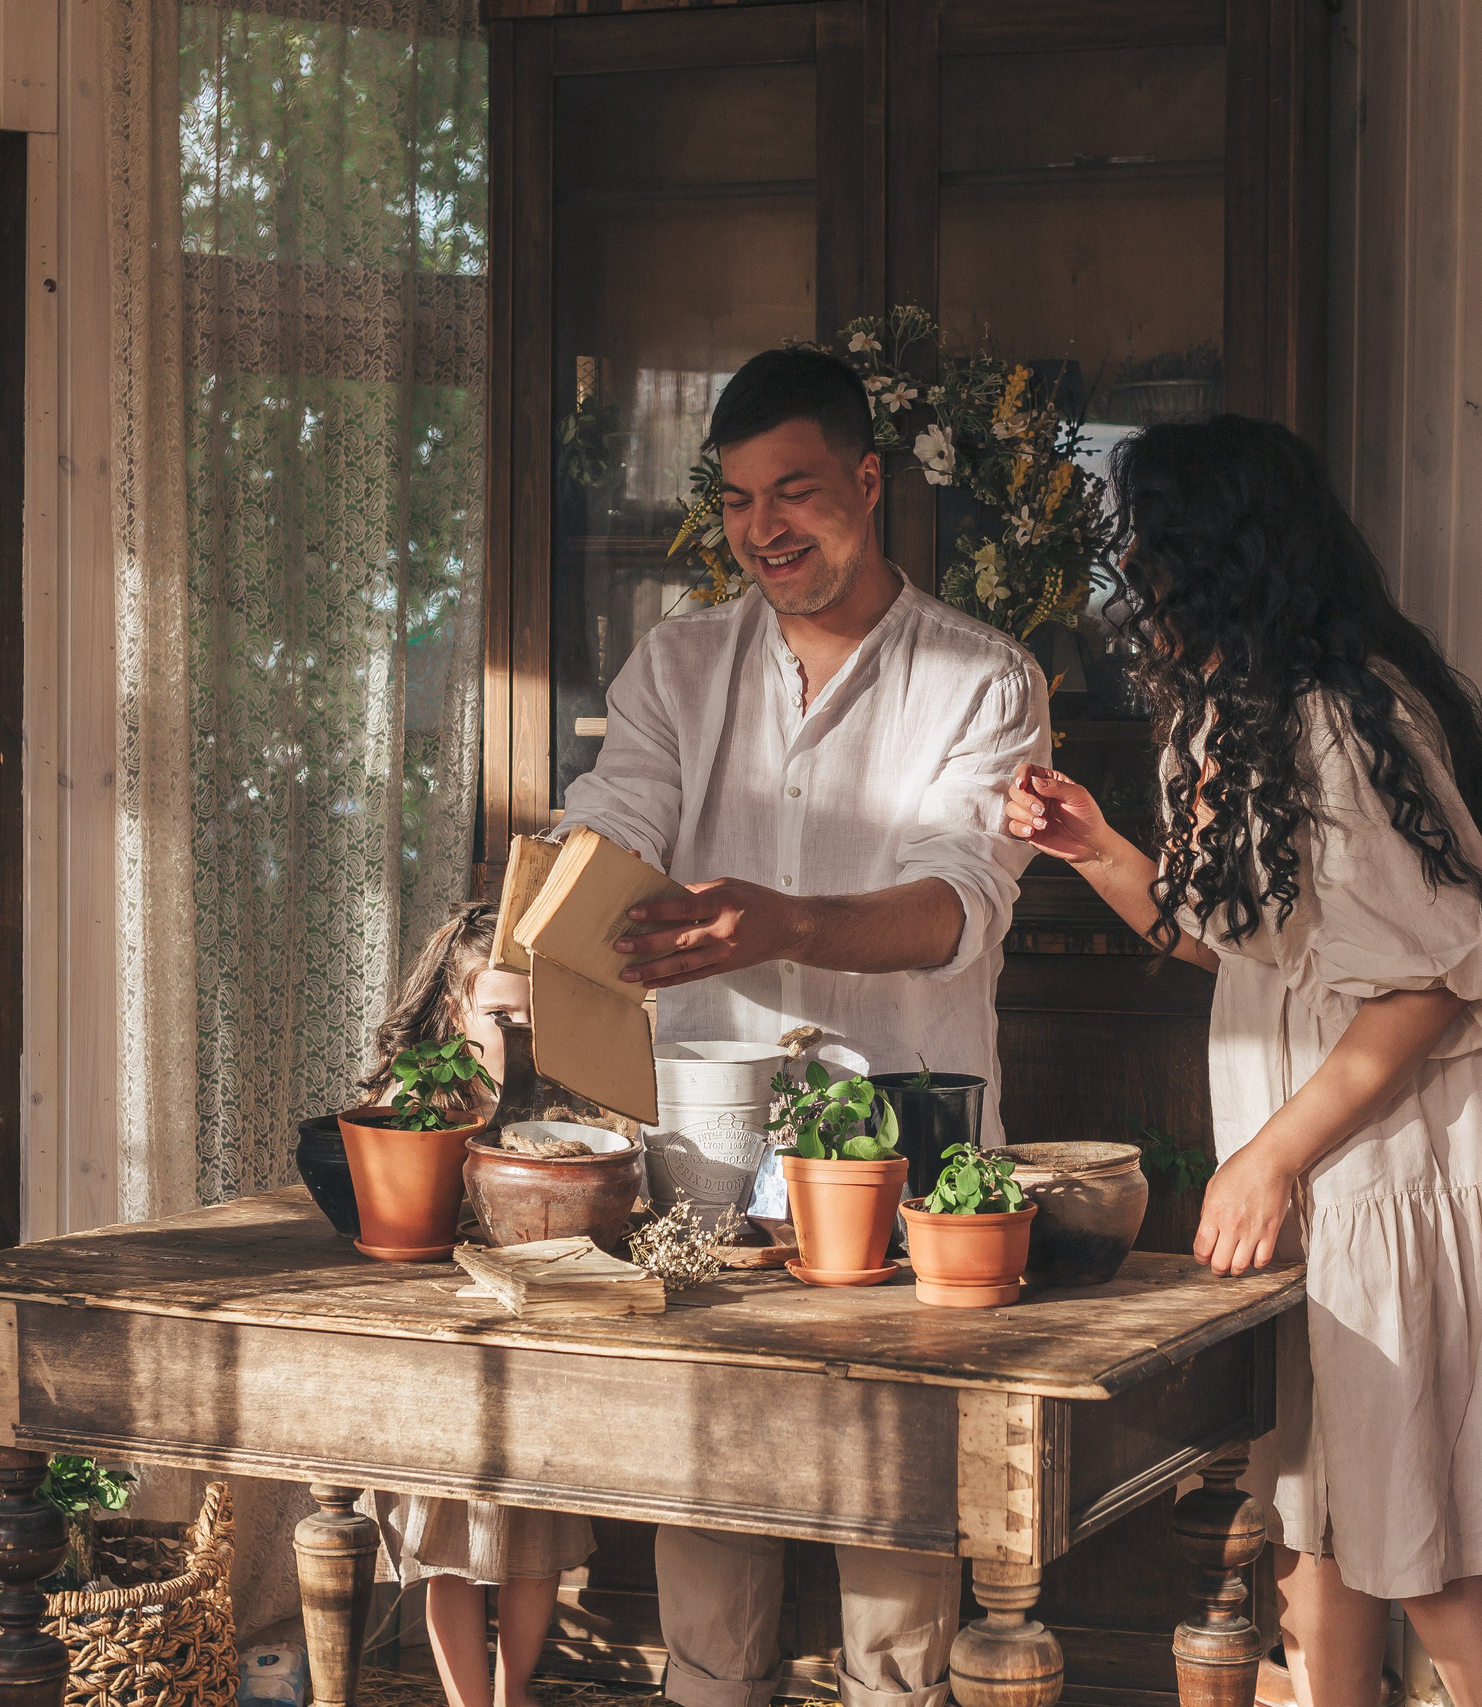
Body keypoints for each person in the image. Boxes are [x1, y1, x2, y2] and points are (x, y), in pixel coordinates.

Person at [1002, 417, 1482, 1707]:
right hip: (1327, 1166)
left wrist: (1267, 1157)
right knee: (1317, 1519)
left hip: (1386, 1171)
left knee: (1434, 1550)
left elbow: (1430, 983)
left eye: (1150, 552)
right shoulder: (1237, 716)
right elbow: (1255, 957)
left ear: (1218, 558)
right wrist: (1093, 846)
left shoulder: (1330, 720)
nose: (1131, 584)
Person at [556, 346, 1052, 1707]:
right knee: (707, 1519)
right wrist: (548, 913)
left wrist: (786, 921)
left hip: (907, 1153)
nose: (763, 528)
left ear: (870, 482)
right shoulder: (678, 662)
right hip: (707, 1164)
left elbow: (960, 904)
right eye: (735, 500)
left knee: (896, 1541)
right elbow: (621, 814)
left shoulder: (984, 677)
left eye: (796, 491)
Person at [360, 903, 587, 1707]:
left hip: (533, 1346)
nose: (514, 1033)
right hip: (441, 1350)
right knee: (448, 1542)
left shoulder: (560, 1102)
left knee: (535, 1537)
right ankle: (468, 1700)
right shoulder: (421, 1096)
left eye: (529, 1015)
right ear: (455, 1010)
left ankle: (513, 1689)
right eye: (497, 1015)